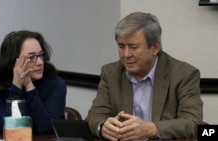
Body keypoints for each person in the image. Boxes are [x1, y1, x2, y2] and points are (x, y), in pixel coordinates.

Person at [86, 12, 203, 140]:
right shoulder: (111, 73)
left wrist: (152, 129)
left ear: (155, 47)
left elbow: (192, 123)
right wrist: (103, 126)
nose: (125, 54)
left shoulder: (183, 74)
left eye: (133, 47)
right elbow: (94, 116)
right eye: (121, 46)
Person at [0, 30, 67, 134]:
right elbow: (6, 129)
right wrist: (16, 86)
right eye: (31, 57)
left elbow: (46, 128)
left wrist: (29, 86)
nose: (39, 62)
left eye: (40, 55)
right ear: (13, 61)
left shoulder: (55, 84)